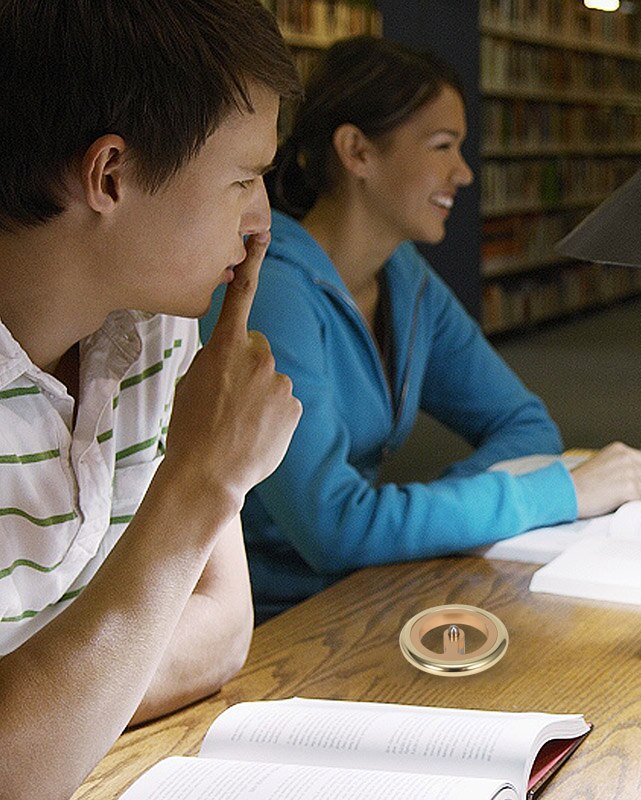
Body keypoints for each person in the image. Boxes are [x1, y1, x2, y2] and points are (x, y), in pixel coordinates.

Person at [203, 35, 641, 624]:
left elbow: (525, 426)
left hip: (367, 586)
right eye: (443, 146)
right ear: (357, 152)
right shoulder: (271, 289)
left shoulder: (403, 276)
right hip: (271, 620)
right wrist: (550, 494)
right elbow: (333, 528)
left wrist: (418, 515)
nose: (464, 172)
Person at [0, 2, 304, 798]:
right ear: (112, 176)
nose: (262, 222)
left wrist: (46, 707)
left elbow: (222, 629)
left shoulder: (156, 330)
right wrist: (202, 481)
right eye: (243, 179)